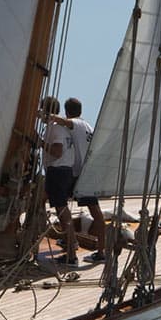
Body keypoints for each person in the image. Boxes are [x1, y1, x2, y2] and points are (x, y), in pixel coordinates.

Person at [48, 97, 106, 263]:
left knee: (59, 204)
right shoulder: (89, 127)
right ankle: (101, 251)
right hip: (89, 173)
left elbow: (63, 122)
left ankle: (71, 247)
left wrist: (44, 115)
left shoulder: (76, 124)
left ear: (67, 112)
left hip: (80, 174)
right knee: (96, 212)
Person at [38, 96, 78, 267]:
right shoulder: (60, 128)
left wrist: (38, 141)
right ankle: (72, 244)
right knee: (41, 203)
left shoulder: (55, 129)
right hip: (62, 172)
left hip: (57, 171)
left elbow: (57, 151)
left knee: (62, 213)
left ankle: (71, 255)